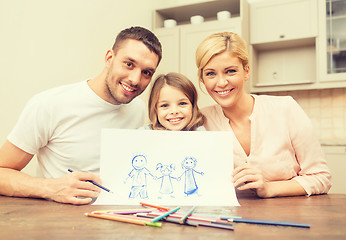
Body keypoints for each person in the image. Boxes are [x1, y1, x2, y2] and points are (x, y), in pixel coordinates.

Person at [0, 26, 162, 205]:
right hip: (60, 223)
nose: (135, 79)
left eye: (146, 72)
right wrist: (50, 188)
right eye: (129, 64)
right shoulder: (49, 105)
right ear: (109, 58)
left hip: (118, 220)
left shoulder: (138, 110)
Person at [195, 32, 331, 198]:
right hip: (231, 219)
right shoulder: (200, 121)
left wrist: (269, 189)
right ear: (202, 79)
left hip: (290, 216)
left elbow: (321, 177)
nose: (221, 82)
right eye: (210, 74)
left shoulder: (286, 109)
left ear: (246, 71)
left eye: (230, 71)